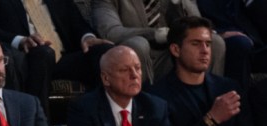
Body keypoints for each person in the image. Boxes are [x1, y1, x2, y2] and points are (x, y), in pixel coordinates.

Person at [0, 0, 113, 113]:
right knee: (43, 53)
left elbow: (77, 23)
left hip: (63, 58)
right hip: (28, 58)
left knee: (104, 52)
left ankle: (109, 120)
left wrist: (87, 37)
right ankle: (39, 125)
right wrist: (21, 41)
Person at [92, 0, 226, 83]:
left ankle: (212, 99)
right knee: (138, 45)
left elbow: (199, 28)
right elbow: (110, 32)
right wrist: (155, 34)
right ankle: (142, 109)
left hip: (170, 56)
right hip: (136, 58)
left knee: (215, 42)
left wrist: (180, 3)